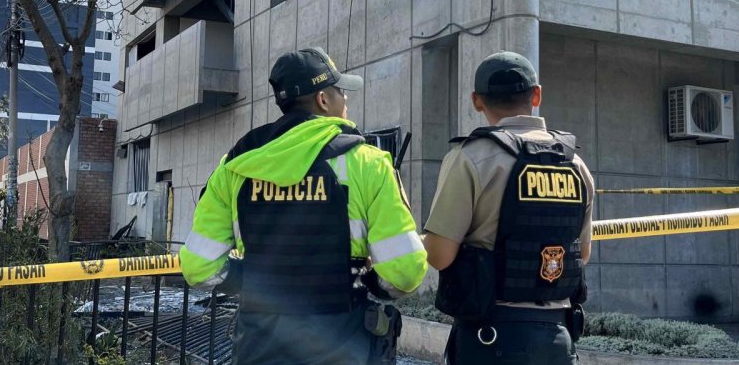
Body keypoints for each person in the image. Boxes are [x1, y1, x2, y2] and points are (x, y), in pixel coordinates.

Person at [180, 47, 427, 364]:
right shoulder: (368, 163)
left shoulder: (234, 166)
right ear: (324, 100)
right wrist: (363, 277)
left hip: (259, 349)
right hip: (344, 344)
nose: (346, 101)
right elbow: (405, 273)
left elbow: (198, 268)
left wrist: (254, 279)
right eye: (341, 93)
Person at [423, 51, 594, 364]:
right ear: (537, 94)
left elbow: (439, 255)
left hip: (489, 338)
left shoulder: (471, 157)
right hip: (558, 338)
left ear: (476, 100)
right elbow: (582, 254)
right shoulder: (575, 163)